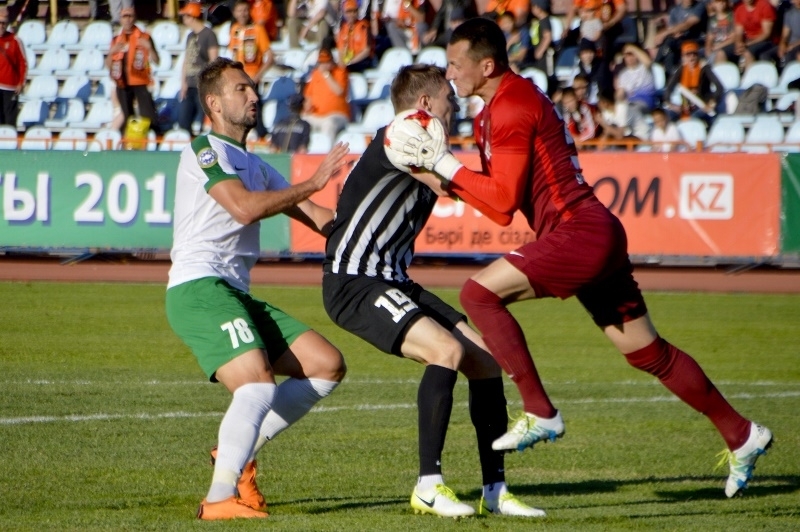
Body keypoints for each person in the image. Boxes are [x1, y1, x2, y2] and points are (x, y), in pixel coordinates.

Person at [384, 17, 773, 499]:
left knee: (477, 295)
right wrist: (436, 174)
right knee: (647, 352)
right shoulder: (490, 114)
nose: (449, 74)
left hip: (578, 230)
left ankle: (539, 410)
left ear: (486, 66)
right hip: (588, 231)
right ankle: (741, 432)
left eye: (455, 64)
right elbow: (498, 206)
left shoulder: (512, 105)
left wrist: (444, 164)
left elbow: (502, 200)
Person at [323, 63, 544, 519]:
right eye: (448, 97)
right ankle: (428, 486)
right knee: (445, 351)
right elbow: (450, 187)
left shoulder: (418, 139)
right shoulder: (408, 129)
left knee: (485, 361)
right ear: (425, 103)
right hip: (356, 281)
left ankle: (495, 490)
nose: (455, 104)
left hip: (391, 278)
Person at [165, 57, 349, 521]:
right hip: (199, 286)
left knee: (325, 366)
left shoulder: (257, 165)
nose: (253, 95)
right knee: (256, 386)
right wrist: (313, 182)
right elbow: (244, 209)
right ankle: (219, 498)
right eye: (241, 89)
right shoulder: (204, 150)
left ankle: (235, 451)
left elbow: (322, 220)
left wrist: (376, 213)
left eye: (252, 88)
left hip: (233, 291)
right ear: (214, 103)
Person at [105, 6, 160, 134]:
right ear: (120, 19)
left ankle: (155, 139)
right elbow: (108, 66)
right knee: (126, 117)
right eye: (125, 16)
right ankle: (127, 142)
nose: (128, 19)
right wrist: (111, 53)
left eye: (130, 16)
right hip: (122, 83)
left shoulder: (144, 37)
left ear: (135, 18)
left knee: (149, 116)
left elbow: (157, 61)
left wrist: (149, 48)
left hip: (140, 81)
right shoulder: (116, 40)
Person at [229, 0, 274, 139]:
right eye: (239, 10)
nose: (242, 14)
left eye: (245, 10)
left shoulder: (258, 29)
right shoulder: (234, 29)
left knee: (254, 107)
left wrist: (257, 76)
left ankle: (262, 136)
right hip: (238, 78)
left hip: (252, 77)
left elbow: (270, 57)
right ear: (234, 13)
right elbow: (233, 54)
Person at [178, 2, 219, 134]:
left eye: (186, 16)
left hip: (202, 85)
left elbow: (213, 61)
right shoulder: (190, 36)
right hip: (189, 84)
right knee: (183, 121)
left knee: (202, 122)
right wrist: (183, 82)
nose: (183, 19)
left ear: (192, 17)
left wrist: (209, 83)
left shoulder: (209, 34)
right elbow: (187, 60)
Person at [663, 40, 725, 124]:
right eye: (688, 55)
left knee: (694, 118)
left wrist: (712, 103)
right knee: (667, 115)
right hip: (686, 106)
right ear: (683, 57)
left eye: (694, 54)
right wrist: (671, 105)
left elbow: (719, 87)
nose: (692, 58)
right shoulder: (681, 69)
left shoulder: (704, 68)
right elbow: (669, 88)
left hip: (702, 105)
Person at [301, 48, 350, 146]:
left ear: (332, 61)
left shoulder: (340, 72)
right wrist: (306, 107)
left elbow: (339, 91)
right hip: (316, 115)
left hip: (337, 115)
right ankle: (305, 151)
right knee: (302, 122)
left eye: (326, 62)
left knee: (328, 123)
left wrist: (326, 74)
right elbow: (308, 95)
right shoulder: (315, 74)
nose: (324, 65)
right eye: (321, 62)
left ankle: (327, 151)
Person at [0, 10, 26, 128]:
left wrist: (21, 82)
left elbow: (23, 63)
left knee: (10, 119)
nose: (1, 26)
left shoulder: (15, 40)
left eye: (4, 23)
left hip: (10, 86)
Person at [335, 0, 375, 73]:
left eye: (354, 11)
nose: (352, 14)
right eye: (349, 12)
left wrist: (351, 62)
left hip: (363, 60)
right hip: (348, 59)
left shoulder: (364, 27)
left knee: (348, 69)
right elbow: (340, 49)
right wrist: (341, 63)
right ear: (344, 13)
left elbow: (367, 51)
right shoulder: (343, 28)